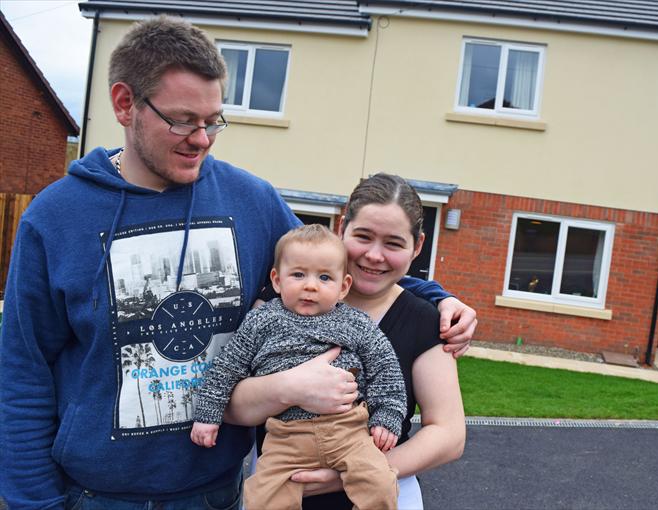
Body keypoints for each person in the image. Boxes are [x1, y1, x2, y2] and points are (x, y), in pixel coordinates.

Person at [0, 16, 476, 510]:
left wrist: (436, 298)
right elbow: (22, 372)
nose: (202, 139)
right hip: (93, 496)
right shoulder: (55, 218)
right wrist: (33, 502)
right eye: (183, 120)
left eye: (213, 121)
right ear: (125, 104)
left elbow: (333, 268)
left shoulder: (251, 201)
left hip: (215, 494)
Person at [227, 173, 467, 510]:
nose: (374, 255)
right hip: (279, 488)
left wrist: (351, 473)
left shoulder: (426, 320)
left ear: (418, 246)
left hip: (382, 492)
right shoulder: (277, 303)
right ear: (343, 228)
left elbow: (448, 435)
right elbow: (231, 404)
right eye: (364, 236)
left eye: (393, 244)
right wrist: (290, 387)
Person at [191, 224, 405, 509]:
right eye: (298, 274)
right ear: (277, 281)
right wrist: (208, 414)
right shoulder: (261, 321)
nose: (311, 285)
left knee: (380, 484)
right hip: (286, 436)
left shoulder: (355, 323)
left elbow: (386, 368)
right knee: (263, 497)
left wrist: (388, 414)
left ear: (344, 287)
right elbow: (226, 368)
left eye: (325, 277)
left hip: (350, 431)